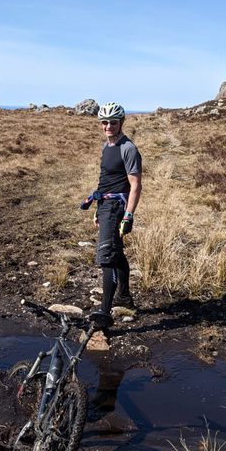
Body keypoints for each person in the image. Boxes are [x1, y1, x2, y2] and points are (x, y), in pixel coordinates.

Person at [81, 101, 142, 330]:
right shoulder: (106, 147)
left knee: (106, 256)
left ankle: (104, 314)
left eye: (113, 122)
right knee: (116, 252)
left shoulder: (128, 149)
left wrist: (128, 216)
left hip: (117, 208)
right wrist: (98, 207)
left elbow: (136, 185)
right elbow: (105, 180)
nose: (108, 126)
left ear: (121, 123)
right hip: (106, 205)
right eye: (104, 122)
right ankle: (124, 297)